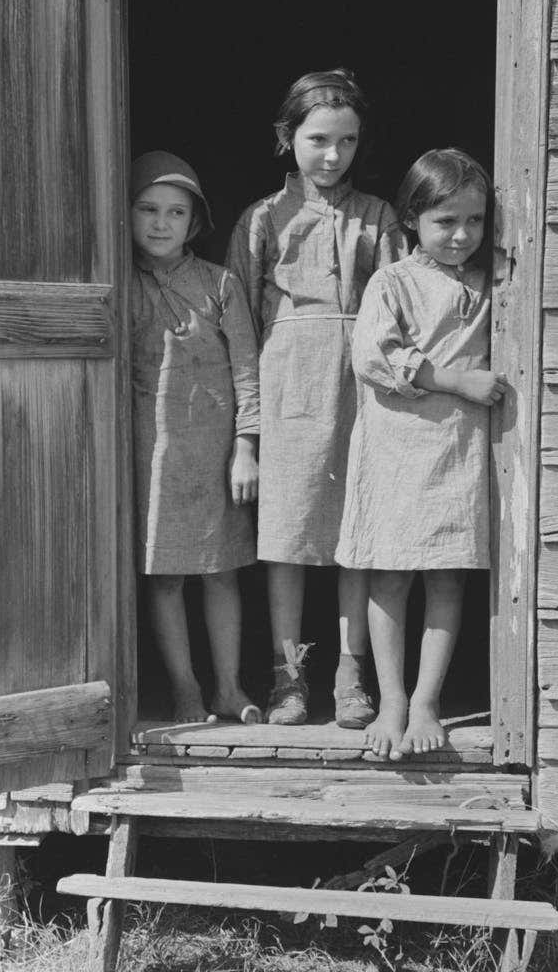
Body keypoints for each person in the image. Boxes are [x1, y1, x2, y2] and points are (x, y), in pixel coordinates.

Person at [227, 70, 408, 727]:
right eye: (318, 140)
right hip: (286, 399)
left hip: (360, 398)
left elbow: (398, 311)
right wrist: (247, 431)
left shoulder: (379, 218)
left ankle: (350, 673)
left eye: (348, 141)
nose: (333, 155)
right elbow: (240, 329)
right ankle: (289, 677)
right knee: (289, 538)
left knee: (353, 538)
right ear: (287, 137)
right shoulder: (260, 221)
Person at [335, 148, 507, 760]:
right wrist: (457, 380)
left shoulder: (494, 284)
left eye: (476, 221)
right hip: (398, 451)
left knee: (447, 576)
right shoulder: (394, 282)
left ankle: (429, 699)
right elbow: (373, 357)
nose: (462, 235)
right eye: (445, 222)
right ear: (412, 218)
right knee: (389, 575)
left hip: (458, 453)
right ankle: (392, 701)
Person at [131, 150, 262, 724]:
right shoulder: (118, 283)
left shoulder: (220, 284)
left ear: (195, 220)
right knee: (163, 577)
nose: (161, 223)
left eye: (176, 212)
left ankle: (228, 687)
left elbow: (247, 372)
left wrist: (247, 446)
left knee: (221, 571)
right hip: (148, 453)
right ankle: (184, 689)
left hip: (214, 451)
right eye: (148, 209)